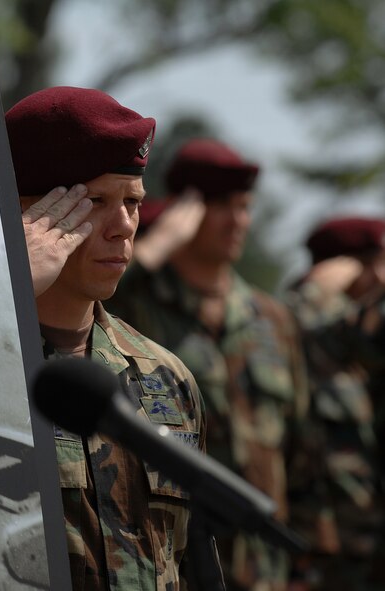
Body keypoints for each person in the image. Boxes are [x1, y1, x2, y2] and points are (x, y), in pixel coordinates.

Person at [6, 86, 209, 591]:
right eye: (95, 200)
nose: (123, 227)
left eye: (133, 202)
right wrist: (2, 287)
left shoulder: (165, 377)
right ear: (25, 212)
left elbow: (194, 565)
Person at [104, 138, 323, 591]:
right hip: (178, 562)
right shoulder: (139, 303)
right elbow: (88, 305)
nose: (238, 220)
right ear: (187, 210)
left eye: (245, 206)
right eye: (222, 205)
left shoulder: (273, 319)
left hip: (266, 568)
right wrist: (156, 244)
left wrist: (305, 561)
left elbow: (302, 449)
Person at [285, 217, 385, 590]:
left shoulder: (360, 335)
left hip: (366, 544)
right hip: (321, 550)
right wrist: (316, 290)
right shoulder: (303, 324)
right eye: (373, 263)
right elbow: (296, 324)